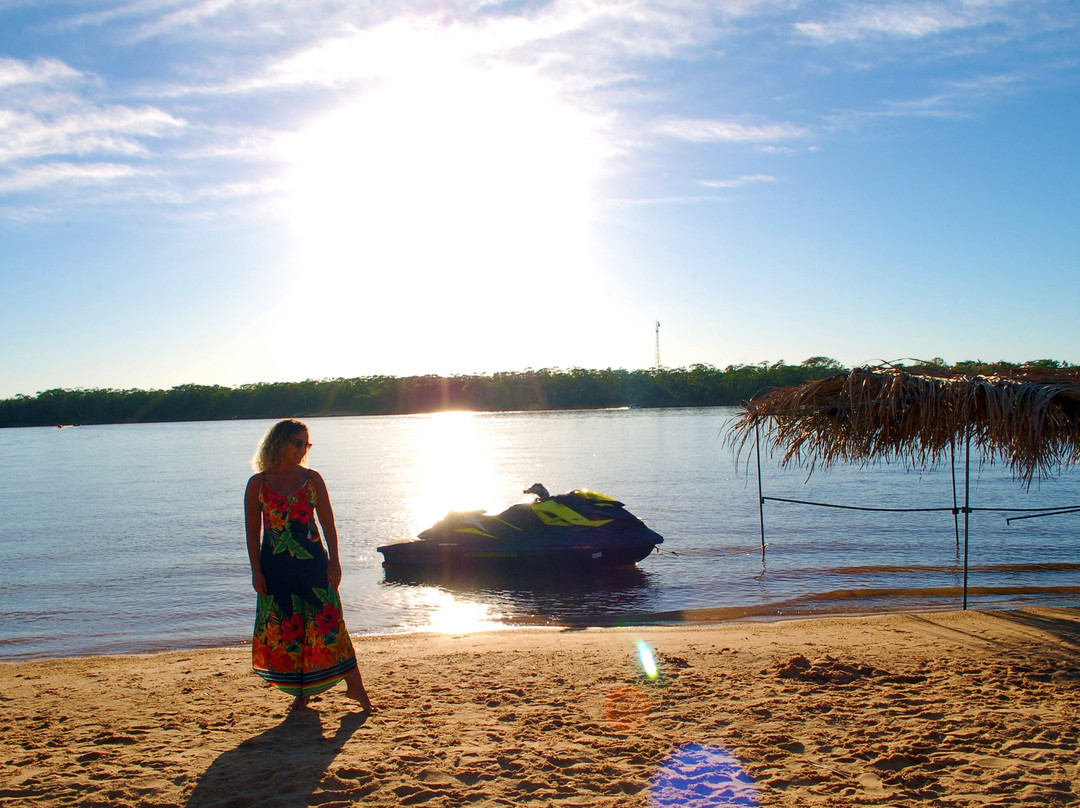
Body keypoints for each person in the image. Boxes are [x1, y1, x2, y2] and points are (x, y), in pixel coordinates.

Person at [244, 418, 374, 713]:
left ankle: (356, 688)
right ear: (280, 443)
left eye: (307, 444)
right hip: (275, 568)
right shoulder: (258, 484)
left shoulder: (312, 479)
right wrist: (256, 570)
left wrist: (335, 562)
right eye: (298, 443)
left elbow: (328, 523)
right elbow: (253, 532)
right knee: (290, 630)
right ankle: (301, 695)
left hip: (314, 564)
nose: (304, 449)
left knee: (331, 624)